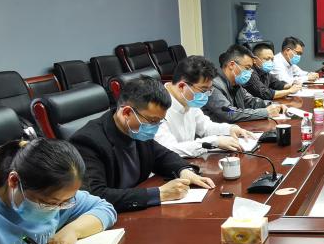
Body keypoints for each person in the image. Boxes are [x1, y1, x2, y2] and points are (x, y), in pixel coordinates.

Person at [70, 76, 215, 212]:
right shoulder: (87, 142)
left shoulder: (136, 130)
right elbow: (95, 195)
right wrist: (158, 193)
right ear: (127, 113)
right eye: (153, 121)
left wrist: (184, 171)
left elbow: (163, 156)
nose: (155, 127)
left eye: (160, 121)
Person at [153, 55, 255, 155]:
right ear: (182, 86)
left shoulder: (188, 99)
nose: (205, 96)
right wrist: (213, 141)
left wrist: (230, 129)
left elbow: (205, 127)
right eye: (203, 90)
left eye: (209, 90)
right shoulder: (155, 106)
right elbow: (170, 149)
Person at [206, 45, 285, 123]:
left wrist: (274, 105)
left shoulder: (236, 84)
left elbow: (251, 101)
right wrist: (265, 112)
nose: (250, 72)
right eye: (247, 68)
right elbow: (230, 113)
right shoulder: (213, 86)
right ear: (231, 65)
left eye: (251, 69)